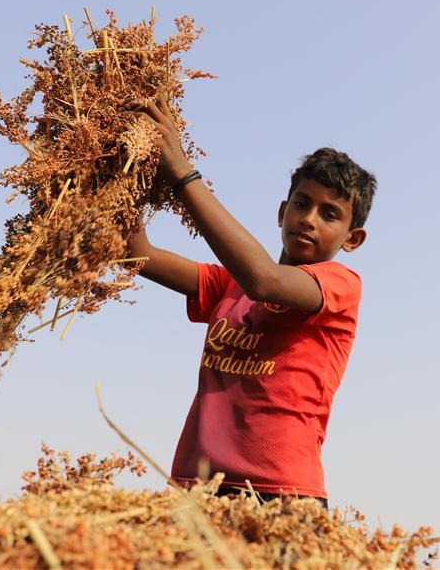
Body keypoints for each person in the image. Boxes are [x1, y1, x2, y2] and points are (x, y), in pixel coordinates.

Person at [127, 97, 377, 510]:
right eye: (302, 203)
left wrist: (181, 173)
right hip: (198, 491)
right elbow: (135, 253)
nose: (309, 218)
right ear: (282, 211)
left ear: (352, 239)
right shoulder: (227, 285)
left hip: (281, 496)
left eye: (330, 214)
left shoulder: (339, 287)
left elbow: (264, 279)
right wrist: (121, 167)